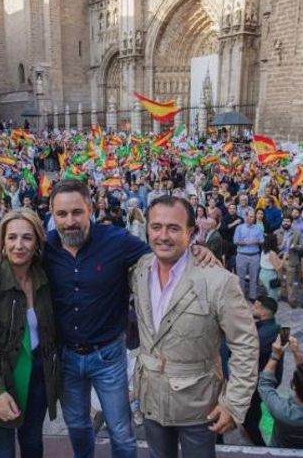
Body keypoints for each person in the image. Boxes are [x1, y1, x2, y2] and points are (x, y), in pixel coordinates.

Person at [43, 180, 216, 458]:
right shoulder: (45, 247)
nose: (70, 221)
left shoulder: (117, 241)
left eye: (77, 212)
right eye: (62, 214)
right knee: (76, 424)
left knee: (121, 432)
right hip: (66, 358)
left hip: (108, 357)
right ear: (52, 214)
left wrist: (194, 250)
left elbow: (163, 253)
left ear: (91, 209)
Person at [130, 196, 258, 458]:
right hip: (151, 397)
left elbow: (245, 344)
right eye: (156, 227)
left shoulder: (219, 281)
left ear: (191, 232)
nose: (163, 236)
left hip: (199, 406)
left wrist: (233, 404)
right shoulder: (139, 269)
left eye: (174, 228)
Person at [0, 209, 58, 458]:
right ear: (3, 243)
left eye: (27, 238)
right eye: (12, 238)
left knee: (32, 443)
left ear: (37, 243)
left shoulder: (46, 278)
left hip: (38, 377)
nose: (19, 245)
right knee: (2, 453)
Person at [240, 296, 282, 446]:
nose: (253, 309)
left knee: (248, 418)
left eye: (256, 307)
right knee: (254, 407)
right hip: (270, 376)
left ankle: (260, 447)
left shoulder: (261, 336)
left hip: (258, 381)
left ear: (263, 313)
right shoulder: (277, 327)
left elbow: (239, 354)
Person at [275, 216, 303, 308]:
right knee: (279, 279)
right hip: (279, 259)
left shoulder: (297, 233)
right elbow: (273, 246)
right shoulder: (276, 232)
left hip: (290, 260)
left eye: (288, 221)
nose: (286, 223)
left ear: (291, 222)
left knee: (290, 281)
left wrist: (294, 247)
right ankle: (279, 295)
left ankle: (291, 298)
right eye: (284, 221)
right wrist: (280, 247)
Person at [233, 211, 264, 300]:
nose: (252, 218)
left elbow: (262, 240)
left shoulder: (258, 228)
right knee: (241, 278)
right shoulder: (239, 228)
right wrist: (246, 242)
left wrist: (256, 241)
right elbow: (235, 241)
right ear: (246, 217)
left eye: (253, 217)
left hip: (254, 255)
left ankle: (252, 296)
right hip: (242, 255)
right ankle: (241, 296)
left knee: (254, 278)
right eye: (250, 217)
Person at [258, 233, 285, 300]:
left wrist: (277, 256)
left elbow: (269, 261)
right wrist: (284, 259)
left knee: (269, 292)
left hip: (262, 273)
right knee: (273, 296)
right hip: (270, 275)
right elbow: (278, 268)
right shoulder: (272, 253)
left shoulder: (264, 250)